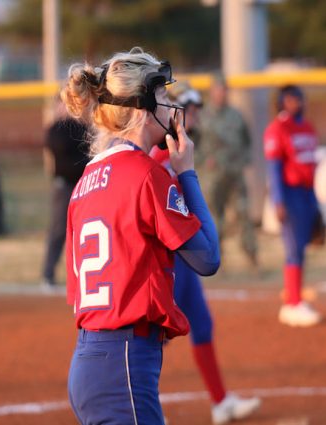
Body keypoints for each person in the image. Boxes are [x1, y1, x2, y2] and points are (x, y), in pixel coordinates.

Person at [62, 47, 220, 425]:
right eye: (162, 95)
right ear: (141, 105)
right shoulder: (146, 174)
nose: (169, 102)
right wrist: (187, 173)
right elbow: (207, 257)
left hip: (89, 358)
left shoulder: (84, 183)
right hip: (124, 361)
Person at [152, 82, 261, 424]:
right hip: (171, 257)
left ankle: (220, 402)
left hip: (184, 256)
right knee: (159, 337)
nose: (196, 115)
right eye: (190, 108)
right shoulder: (161, 154)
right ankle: (146, 409)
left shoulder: (181, 148)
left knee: (201, 323)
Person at [263, 85, 323, 327]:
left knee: (302, 249)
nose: (296, 102)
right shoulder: (277, 129)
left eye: (299, 98)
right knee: (293, 248)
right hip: (290, 193)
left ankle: (296, 297)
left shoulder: (307, 127)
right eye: (290, 99)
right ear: (281, 102)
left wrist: (315, 201)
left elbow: (309, 166)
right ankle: (292, 304)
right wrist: (278, 201)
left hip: (307, 193)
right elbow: (275, 169)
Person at [200, 73, 258, 267]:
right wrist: (202, 162)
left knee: (243, 214)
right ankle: (217, 261)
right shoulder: (202, 117)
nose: (221, 94)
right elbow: (194, 145)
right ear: (212, 92)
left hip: (234, 174)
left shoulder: (236, 115)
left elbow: (246, 142)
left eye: (224, 90)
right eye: (218, 90)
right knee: (215, 219)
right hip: (213, 177)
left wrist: (245, 164)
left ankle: (252, 257)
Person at [41, 100, 89, 289]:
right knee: (59, 230)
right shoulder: (56, 129)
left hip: (83, 185)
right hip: (64, 187)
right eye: (63, 104)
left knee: (84, 230)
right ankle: (48, 275)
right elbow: (61, 148)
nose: (67, 108)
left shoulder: (83, 127)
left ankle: (82, 276)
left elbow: (91, 150)